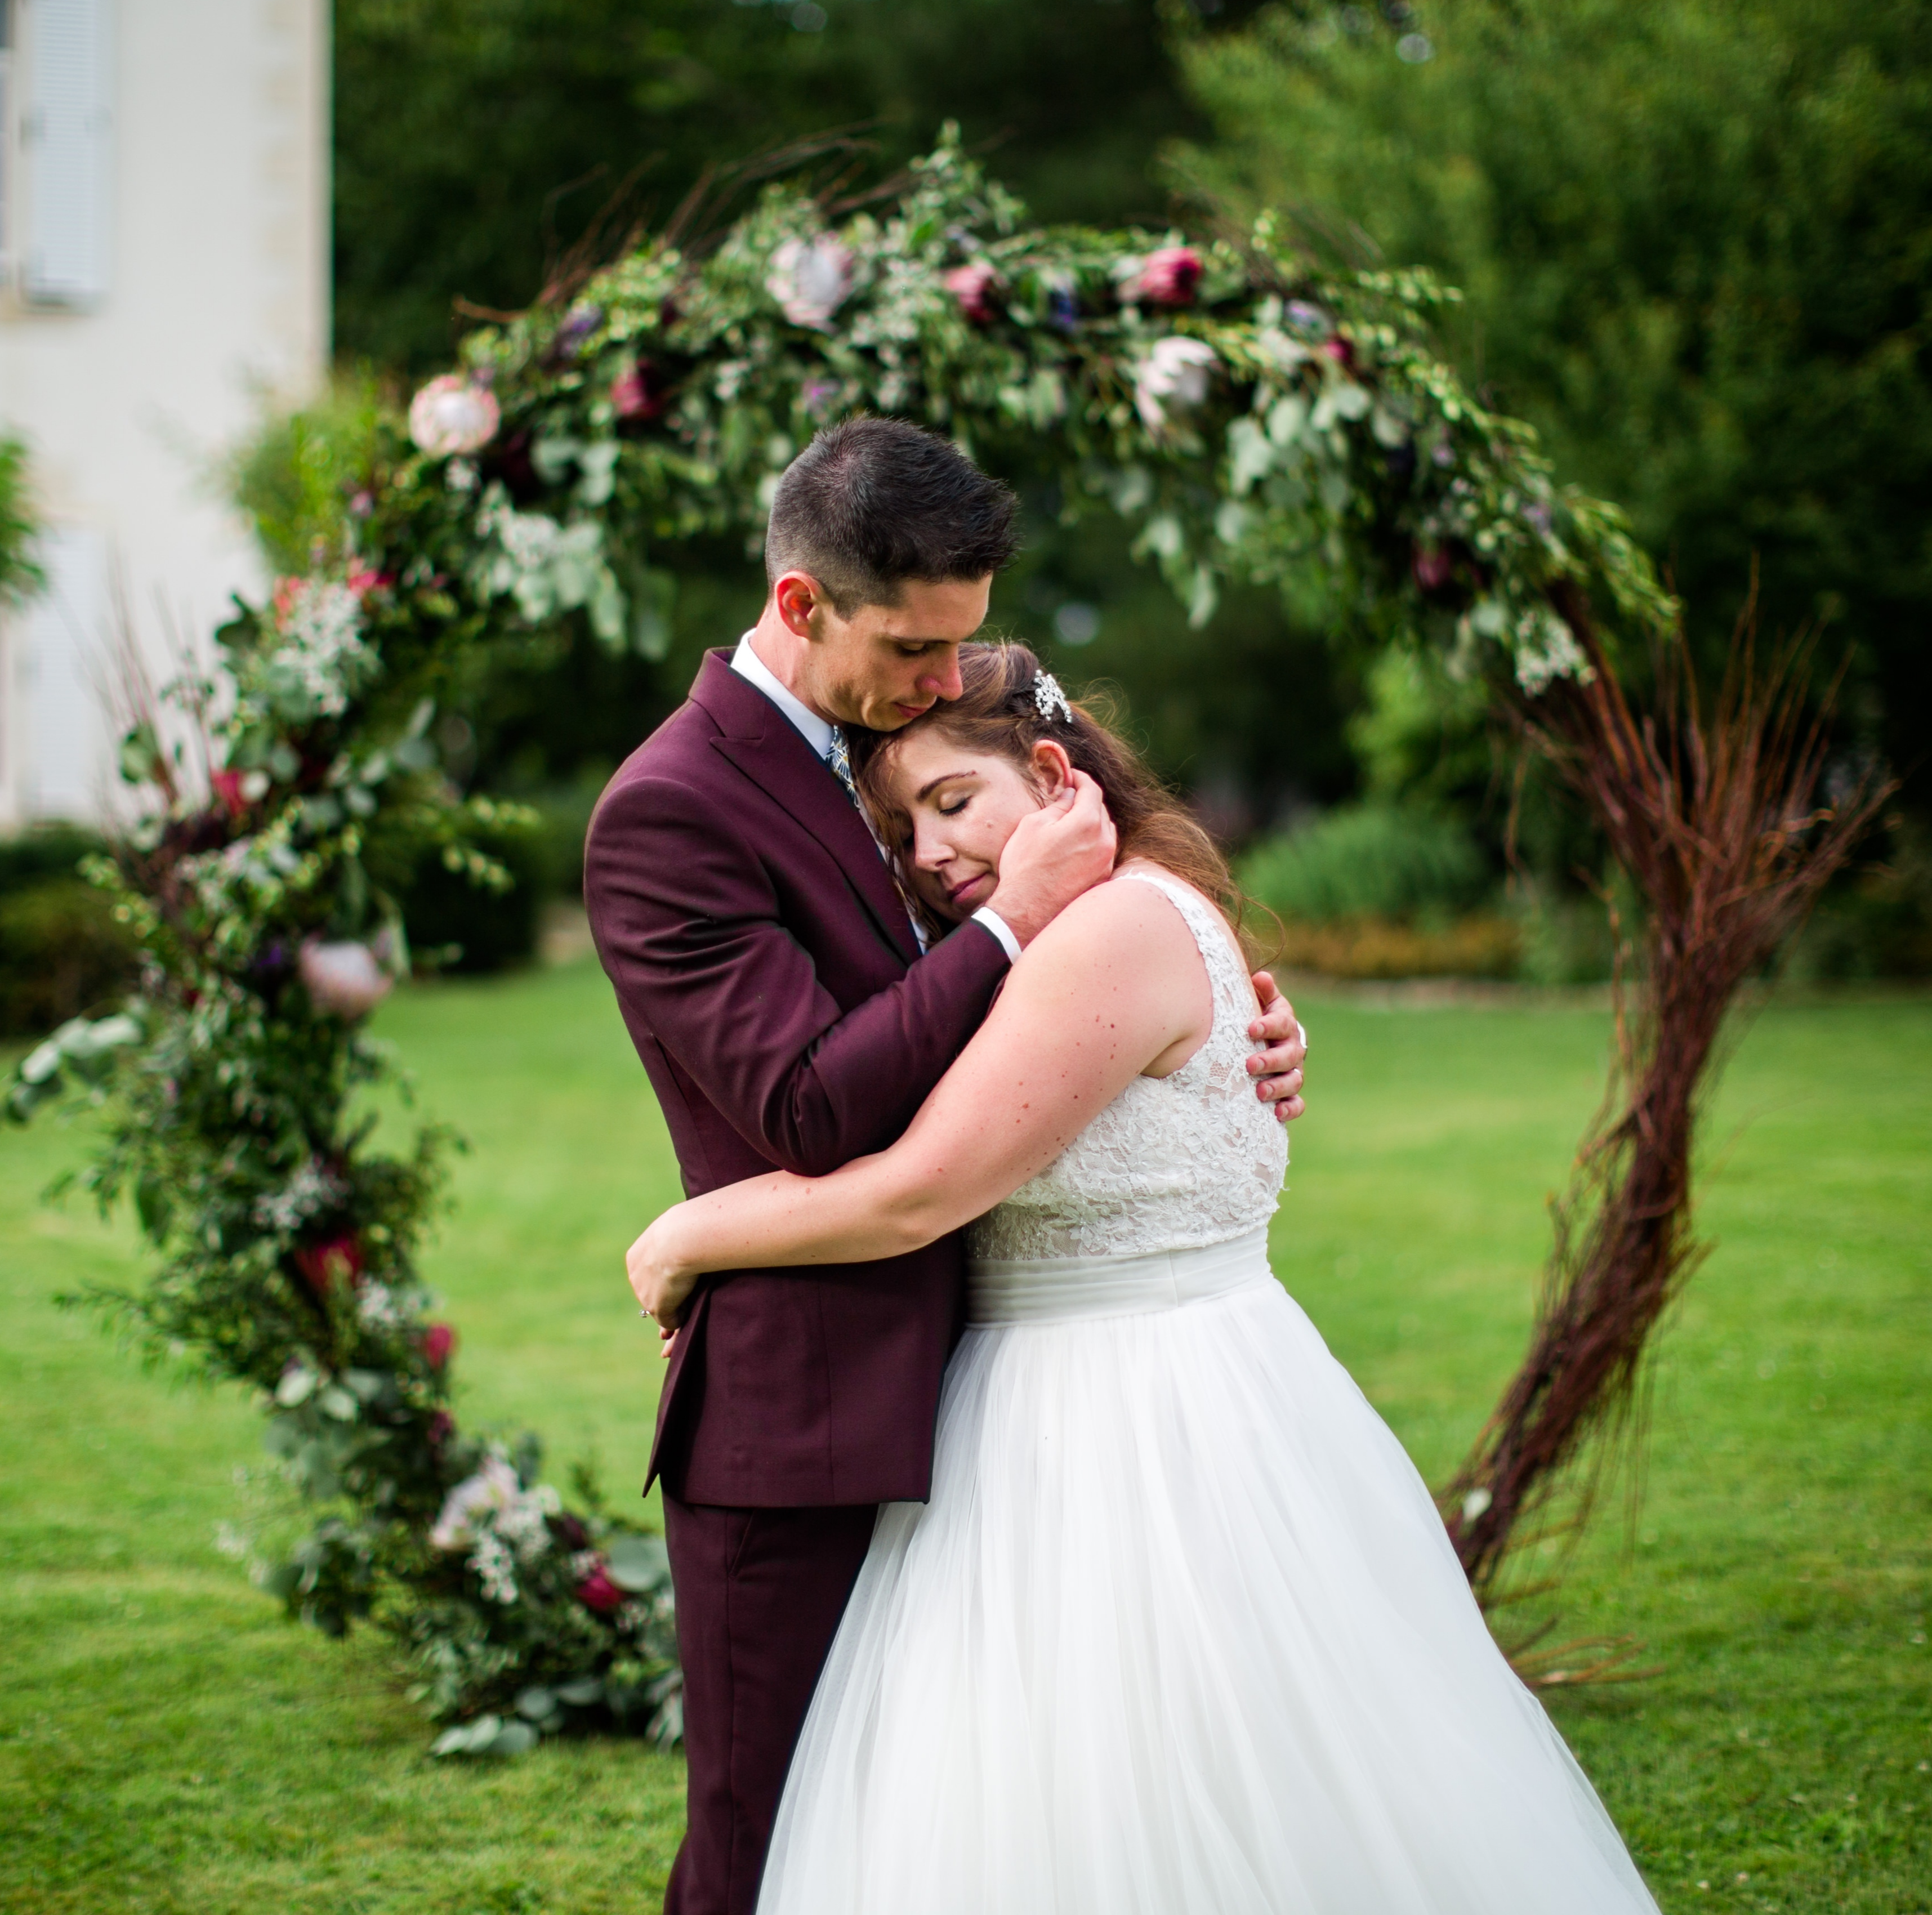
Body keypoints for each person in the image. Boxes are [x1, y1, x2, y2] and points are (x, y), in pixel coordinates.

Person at [625, 641, 1663, 1915]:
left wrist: (688, 1239)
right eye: (905, 830)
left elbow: (923, 1190)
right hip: (1131, 1385)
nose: (934, 854)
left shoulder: (1104, 929)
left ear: (1052, 773)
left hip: (1117, 1418)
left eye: (955, 802)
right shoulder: (1133, 909)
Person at [582, 418, 1308, 1915]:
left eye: (960, 648)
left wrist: (1219, 1033)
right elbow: (801, 1102)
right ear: (802, 606)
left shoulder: (894, 745)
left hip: (1013, 1409)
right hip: (808, 1423)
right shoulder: (674, 808)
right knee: (772, 1856)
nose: (940, 684)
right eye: (915, 649)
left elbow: (1052, 1031)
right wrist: (1007, 925)